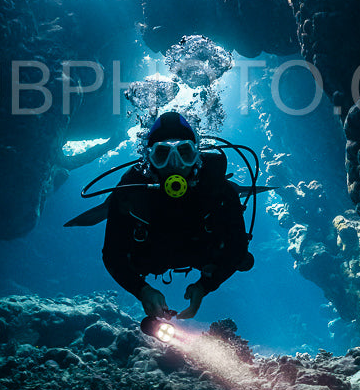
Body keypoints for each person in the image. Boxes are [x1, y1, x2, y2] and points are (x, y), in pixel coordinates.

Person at [102, 112, 253, 320]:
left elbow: (237, 249)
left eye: (184, 152)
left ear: (197, 155)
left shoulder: (219, 191)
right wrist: (142, 290)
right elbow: (112, 256)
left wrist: (205, 286)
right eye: (162, 154)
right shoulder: (130, 195)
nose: (175, 164)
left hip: (201, 254)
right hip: (154, 257)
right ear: (149, 159)